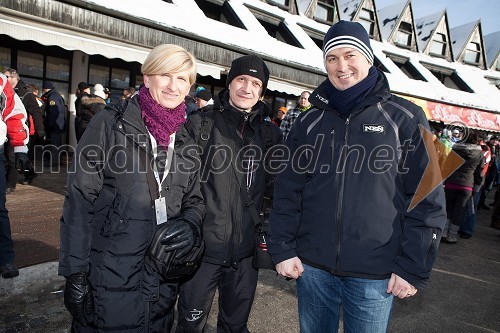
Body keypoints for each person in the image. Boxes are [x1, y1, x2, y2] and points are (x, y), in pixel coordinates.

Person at [267, 21, 446, 333]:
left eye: (350, 55)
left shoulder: (406, 117)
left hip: (375, 273)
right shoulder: (309, 121)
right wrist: (282, 248)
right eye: (332, 58)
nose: (342, 66)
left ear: (368, 58)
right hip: (313, 266)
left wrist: (413, 267)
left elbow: (428, 198)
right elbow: (287, 190)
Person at [58, 44, 205, 332]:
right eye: (165, 75)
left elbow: (195, 200)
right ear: (147, 77)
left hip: (162, 281)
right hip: (108, 279)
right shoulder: (111, 125)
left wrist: (190, 223)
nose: (173, 87)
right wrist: (75, 273)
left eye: (182, 79)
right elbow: (79, 201)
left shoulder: (187, 139)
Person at [176, 54, 281, 333]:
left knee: (235, 326)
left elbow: (278, 189)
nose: (247, 88)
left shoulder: (270, 135)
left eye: (256, 83)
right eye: (241, 80)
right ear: (230, 83)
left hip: (246, 255)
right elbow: (180, 186)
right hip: (202, 253)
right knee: (189, 326)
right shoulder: (200, 125)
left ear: (262, 90)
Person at [0, 73, 30, 278]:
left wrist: (20, 146)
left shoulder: (1, 81)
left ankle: (5, 258)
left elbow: (13, 113)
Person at [3, 68, 44, 187]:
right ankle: (30, 172)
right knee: (17, 157)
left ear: (13, 77)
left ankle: (10, 184)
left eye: (6, 76)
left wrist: (40, 130)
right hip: (5, 129)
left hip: (19, 130)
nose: (4, 79)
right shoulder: (5, 91)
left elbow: (36, 113)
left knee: (13, 157)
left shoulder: (26, 94)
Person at [443, 131, 485, 243]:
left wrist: (443, 181)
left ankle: (443, 233)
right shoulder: (480, 154)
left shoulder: (455, 149)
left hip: (451, 183)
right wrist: (476, 188)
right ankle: (451, 236)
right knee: (459, 211)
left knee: (448, 209)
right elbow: (479, 173)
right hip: (467, 186)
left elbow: (447, 166)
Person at [41, 81, 66, 167]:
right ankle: (57, 161)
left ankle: (54, 162)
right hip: (58, 124)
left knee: (55, 144)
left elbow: (53, 112)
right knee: (57, 144)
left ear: (45, 88)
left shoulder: (52, 96)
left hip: (55, 125)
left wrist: (50, 124)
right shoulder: (56, 95)